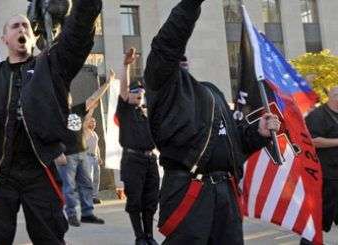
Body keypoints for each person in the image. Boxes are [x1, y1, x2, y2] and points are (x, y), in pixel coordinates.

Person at [0, 0, 102, 243]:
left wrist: (86, 6)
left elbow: (76, 35)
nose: (22, 30)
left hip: (41, 170)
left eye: (26, 26)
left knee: (49, 236)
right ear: (5, 38)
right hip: (0, 173)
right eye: (15, 26)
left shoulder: (51, 66)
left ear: (33, 38)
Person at [143, 0, 281, 243]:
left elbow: (233, 141)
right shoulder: (162, 87)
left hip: (225, 193)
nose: (181, 60)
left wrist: (256, 132)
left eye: (185, 58)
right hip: (189, 190)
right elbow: (167, 44)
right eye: (177, 57)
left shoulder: (211, 92)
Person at [117, 48, 159, 245]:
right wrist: (126, 65)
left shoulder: (146, 115)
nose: (139, 95)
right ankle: (139, 237)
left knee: (150, 201)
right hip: (132, 160)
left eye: (141, 93)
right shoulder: (126, 110)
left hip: (150, 159)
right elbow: (123, 90)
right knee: (135, 201)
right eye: (136, 93)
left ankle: (149, 236)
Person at [57, 82, 110, 227]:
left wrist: (107, 83)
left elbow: (94, 98)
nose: (66, 99)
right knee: (69, 187)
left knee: (86, 184)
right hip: (67, 155)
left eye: (68, 97)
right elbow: (50, 135)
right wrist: (57, 153)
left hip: (82, 153)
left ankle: (87, 213)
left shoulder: (77, 110)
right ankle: (72, 214)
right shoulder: (56, 115)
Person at [304, 86, 338, 244]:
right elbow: (312, 140)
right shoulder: (317, 115)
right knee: (318, 221)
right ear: (330, 96)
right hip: (325, 177)